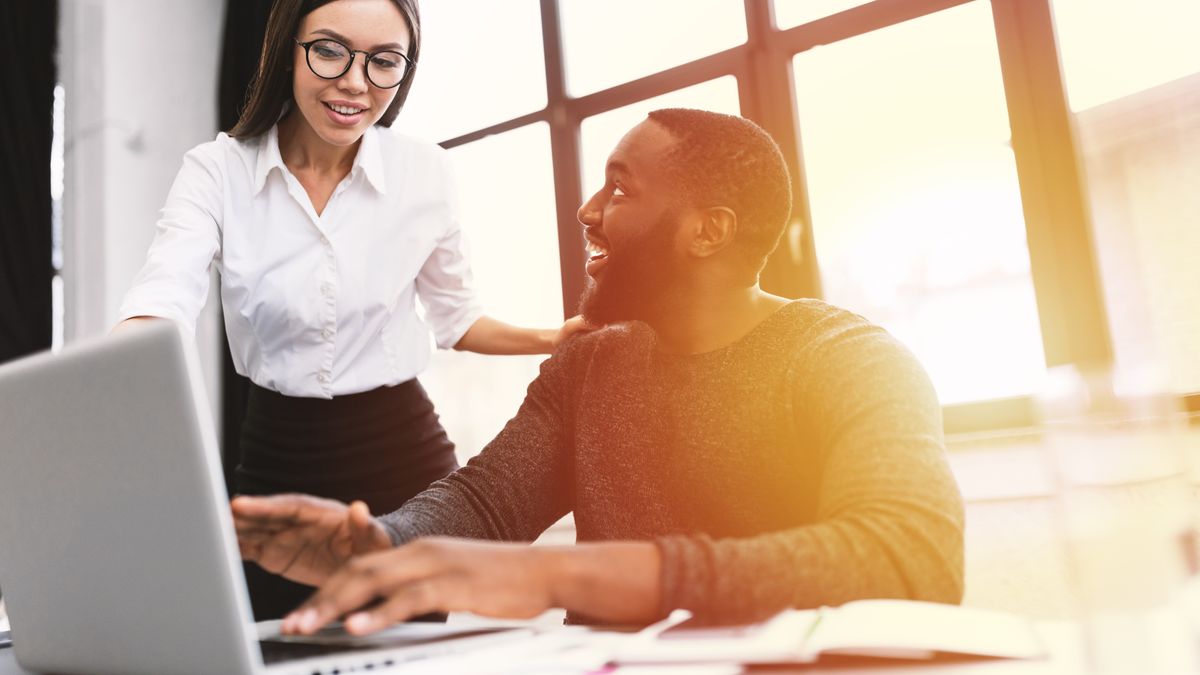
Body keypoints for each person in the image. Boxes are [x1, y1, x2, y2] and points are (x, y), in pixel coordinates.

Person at [233, 108, 965, 633]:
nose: (587, 210)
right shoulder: (589, 364)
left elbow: (912, 557)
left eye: (620, 188)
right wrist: (382, 543)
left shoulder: (850, 358)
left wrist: (554, 577)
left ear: (708, 230)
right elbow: (488, 506)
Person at [115, 0, 585, 620]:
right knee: (278, 643)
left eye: (384, 61)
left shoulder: (425, 172)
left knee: (408, 647)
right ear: (289, 48)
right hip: (276, 455)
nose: (356, 83)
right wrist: (115, 381)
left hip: (401, 455)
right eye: (330, 50)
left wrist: (560, 337)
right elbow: (163, 299)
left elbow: (457, 319)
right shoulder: (218, 171)